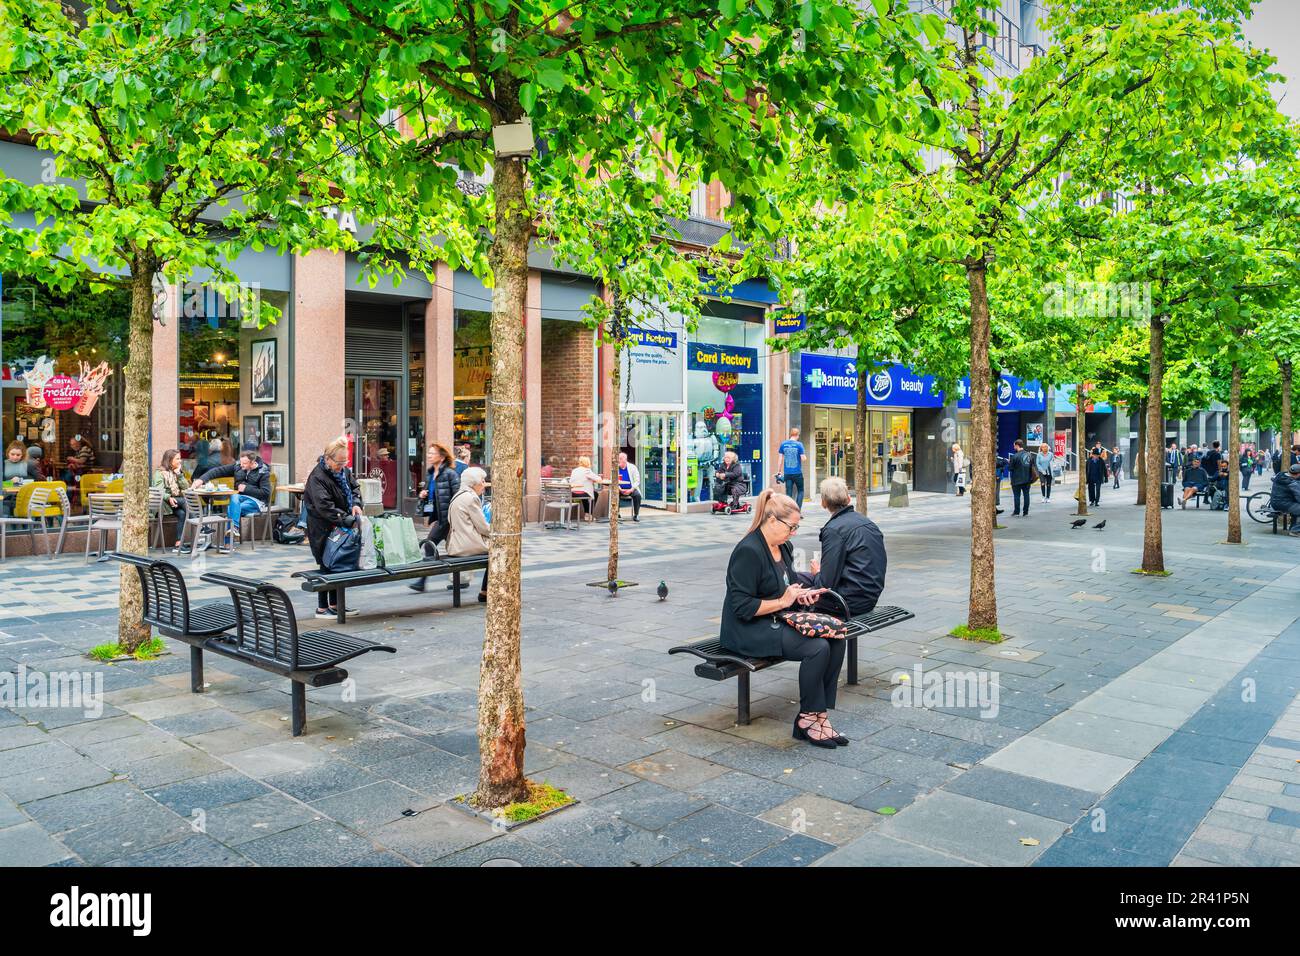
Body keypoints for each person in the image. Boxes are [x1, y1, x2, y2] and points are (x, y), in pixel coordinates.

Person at [721, 489, 847, 748]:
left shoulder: (784, 546)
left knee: (836, 637)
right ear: (771, 520)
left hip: (775, 619)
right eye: (791, 526)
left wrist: (802, 595)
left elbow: (786, 586)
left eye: (797, 527)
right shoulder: (749, 551)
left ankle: (816, 715)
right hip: (747, 629)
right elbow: (742, 607)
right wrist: (783, 601)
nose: (794, 533)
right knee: (817, 647)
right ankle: (809, 719)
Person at [797, 477, 886, 617]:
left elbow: (825, 584)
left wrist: (817, 573)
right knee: (798, 577)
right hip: (869, 595)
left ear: (823, 503)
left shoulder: (833, 530)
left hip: (848, 601)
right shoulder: (867, 523)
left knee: (796, 594)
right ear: (849, 499)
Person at [304, 437, 363, 617]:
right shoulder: (317, 477)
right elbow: (325, 507)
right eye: (339, 462)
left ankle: (336, 605)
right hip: (321, 527)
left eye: (345, 461)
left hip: (339, 524)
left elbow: (355, 488)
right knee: (326, 563)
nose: (343, 465)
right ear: (328, 459)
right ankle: (322, 608)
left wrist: (356, 503)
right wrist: (348, 520)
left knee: (339, 564)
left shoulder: (343, 471)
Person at [194, 443, 271, 546]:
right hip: (239, 498)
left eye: (244, 463)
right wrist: (201, 480)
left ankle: (228, 543)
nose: (241, 465)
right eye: (241, 462)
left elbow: (266, 493)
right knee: (234, 497)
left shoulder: (263, 471)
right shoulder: (238, 466)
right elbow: (218, 471)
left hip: (256, 502)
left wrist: (247, 488)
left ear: (252, 463)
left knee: (232, 509)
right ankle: (234, 529)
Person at [412, 443, 459, 592]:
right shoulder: (431, 473)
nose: (429, 455)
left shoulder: (450, 473)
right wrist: (423, 495)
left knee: (428, 545)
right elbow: (431, 494)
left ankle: (422, 581)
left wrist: (455, 518)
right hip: (439, 517)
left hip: (448, 519)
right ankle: (460, 579)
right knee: (455, 551)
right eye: (429, 453)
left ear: (442, 456)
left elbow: (458, 495)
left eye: (433, 453)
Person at [446, 466, 491, 602]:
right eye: (482, 481)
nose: (484, 485)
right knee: (500, 552)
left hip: (456, 545)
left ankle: (485, 592)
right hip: (468, 545)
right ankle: (485, 592)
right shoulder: (471, 498)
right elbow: (484, 528)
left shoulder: (458, 495)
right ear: (474, 483)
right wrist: (498, 532)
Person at [151, 449, 192, 550]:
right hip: (163, 505)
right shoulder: (159, 473)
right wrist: (168, 497)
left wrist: (179, 475)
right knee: (184, 501)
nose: (180, 461)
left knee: (182, 514)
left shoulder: (176, 472)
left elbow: (186, 487)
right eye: (177, 459)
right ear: (170, 460)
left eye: (180, 458)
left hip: (174, 503)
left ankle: (178, 543)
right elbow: (159, 490)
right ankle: (201, 526)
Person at [778, 428, 806, 511]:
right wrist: (804, 456)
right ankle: (797, 511)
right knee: (800, 491)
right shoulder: (799, 444)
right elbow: (803, 458)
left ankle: (789, 511)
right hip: (797, 473)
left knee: (788, 493)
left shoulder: (783, 444)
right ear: (797, 435)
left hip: (787, 473)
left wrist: (779, 471)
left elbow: (780, 459)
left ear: (790, 434)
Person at [567, 455, 603, 520]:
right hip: (581, 492)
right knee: (595, 494)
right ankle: (589, 515)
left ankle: (587, 514)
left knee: (586, 495)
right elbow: (598, 479)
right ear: (587, 462)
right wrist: (598, 477)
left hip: (572, 492)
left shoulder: (574, 470)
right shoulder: (587, 471)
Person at [1269, 462, 1300, 536]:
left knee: (1297, 508)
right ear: (1298, 474)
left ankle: (1293, 528)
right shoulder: (1292, 483)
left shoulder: (1281, 475)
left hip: (1275, 502)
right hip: (1283, 504)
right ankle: (1294, 531)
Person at [1008, 439, 1036, 517]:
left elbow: (1010, 469)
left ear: (1017, 445)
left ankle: (1017, 512)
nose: (1013, 447)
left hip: (1016, 480)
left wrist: (1009, 462)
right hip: (1027, 479)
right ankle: (1025, 512)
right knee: (1026, 495)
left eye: (1014, 445)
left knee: (1017, 496)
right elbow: (1032, 466)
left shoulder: (1014, 456)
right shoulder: (1030, 455)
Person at [615, 451, 642, 522]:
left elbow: (637, 480)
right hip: (619, 489)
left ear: (625, 460)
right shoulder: (615, 468)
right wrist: (620, 489)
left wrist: (631, 489)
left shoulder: (632, 467)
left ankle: (636, 515)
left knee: (637, 495)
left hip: (631, 488)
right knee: (614, 494)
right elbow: (613, 480)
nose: (619, 460)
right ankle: (616, 513)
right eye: (619, 458)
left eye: (621, 459)